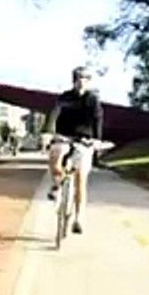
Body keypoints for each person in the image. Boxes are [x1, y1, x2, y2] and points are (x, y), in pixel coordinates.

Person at [42, 66, 104, 235]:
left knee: (80, 180)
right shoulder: (64, 98)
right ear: (73, 80)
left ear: (88, 81)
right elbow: (54, 113)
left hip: (84, 140)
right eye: (78, 78)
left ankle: (78, 218)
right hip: (64, 136)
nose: (81, 81)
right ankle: (56, 185)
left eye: (85, 78)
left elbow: (98, 118)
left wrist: (97, 139)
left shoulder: (93, 100)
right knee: (56, 155)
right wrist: (47, 132)